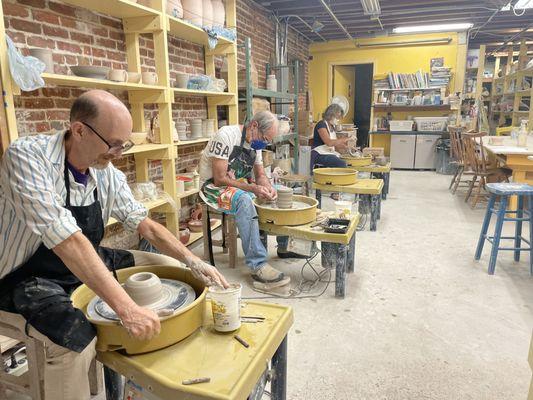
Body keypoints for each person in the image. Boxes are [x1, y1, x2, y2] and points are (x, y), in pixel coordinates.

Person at [0, 90, 229, 400]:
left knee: (170, 270)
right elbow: (67, 241)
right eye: (113, 144)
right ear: (79, 130)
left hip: (81, 260)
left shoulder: (106, 172)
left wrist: (193, 261)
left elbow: (144, 224)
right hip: (23, 276)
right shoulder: (26, 157)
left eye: (124, 144)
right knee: (74, 339)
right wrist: (128, 309)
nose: (119, 154)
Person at [199, 111, 303, 288]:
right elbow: (219, 179)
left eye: (268, 141)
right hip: (213, 188)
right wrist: (253, 188)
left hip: (238, 183)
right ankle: (258, 265)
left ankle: (284, 246)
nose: (265, 143)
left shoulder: (255, 144)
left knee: (280, 191)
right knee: (245, 201)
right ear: (253, 126)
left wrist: (268, 187)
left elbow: (260, 174)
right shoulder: (226, 136)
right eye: (265, 138)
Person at [310, 103, 350, 170]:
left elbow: (336, 144)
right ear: (331, 115)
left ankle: (335, 178)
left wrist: (348, 148)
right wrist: (347, 138)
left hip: (327, 152)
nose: (338, 119)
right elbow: (329, 143)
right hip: (319, 154)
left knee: (347, 161)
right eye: (337, 117)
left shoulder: (332, 126)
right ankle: (338, 179)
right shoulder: (321, 125)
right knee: (341, 163)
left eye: (339, 118)